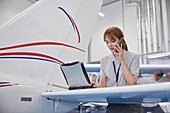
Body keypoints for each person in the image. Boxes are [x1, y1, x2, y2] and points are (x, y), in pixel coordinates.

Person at [91, 27, 142, 113]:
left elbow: (132, 82)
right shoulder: (104, 61)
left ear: (121, 40)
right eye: (107, 42)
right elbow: (102, 83)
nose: (109, 45)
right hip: (113, 103)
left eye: (113, 41)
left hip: (130, 104)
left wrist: (121, 60)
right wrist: (95, 86)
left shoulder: (133, 57)